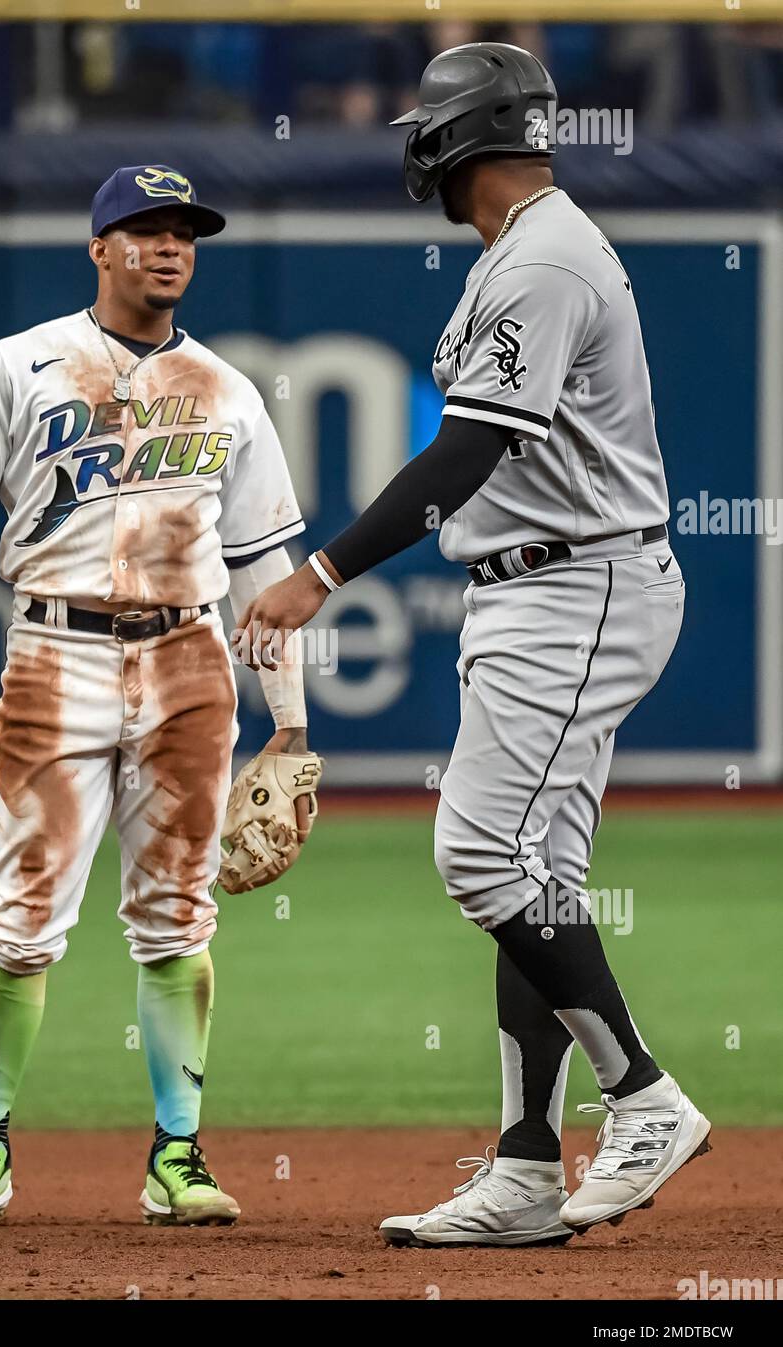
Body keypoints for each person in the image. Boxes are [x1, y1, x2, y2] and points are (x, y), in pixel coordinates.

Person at [236, 45, 710, 1248]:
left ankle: (642, 1098)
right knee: (533, 877)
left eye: (427, 128)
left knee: (476, 852)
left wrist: (321, 572)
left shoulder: (543, 258)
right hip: (537, 588)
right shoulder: (524, 251)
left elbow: (468, 454)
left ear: (461, 140)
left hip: (577, 584)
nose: (415, 147)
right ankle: (522, 1168)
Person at [0, 163, 316, 1229]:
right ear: (99, 248)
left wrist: (290, 724)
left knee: (179, 914)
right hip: (54, 651)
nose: (168, 245)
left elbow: (267, 563)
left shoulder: (228, 390)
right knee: (23, 912)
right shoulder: (21, 365)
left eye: (183, 230)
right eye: (143, 229)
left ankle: (176, 1157)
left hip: (189, 660)